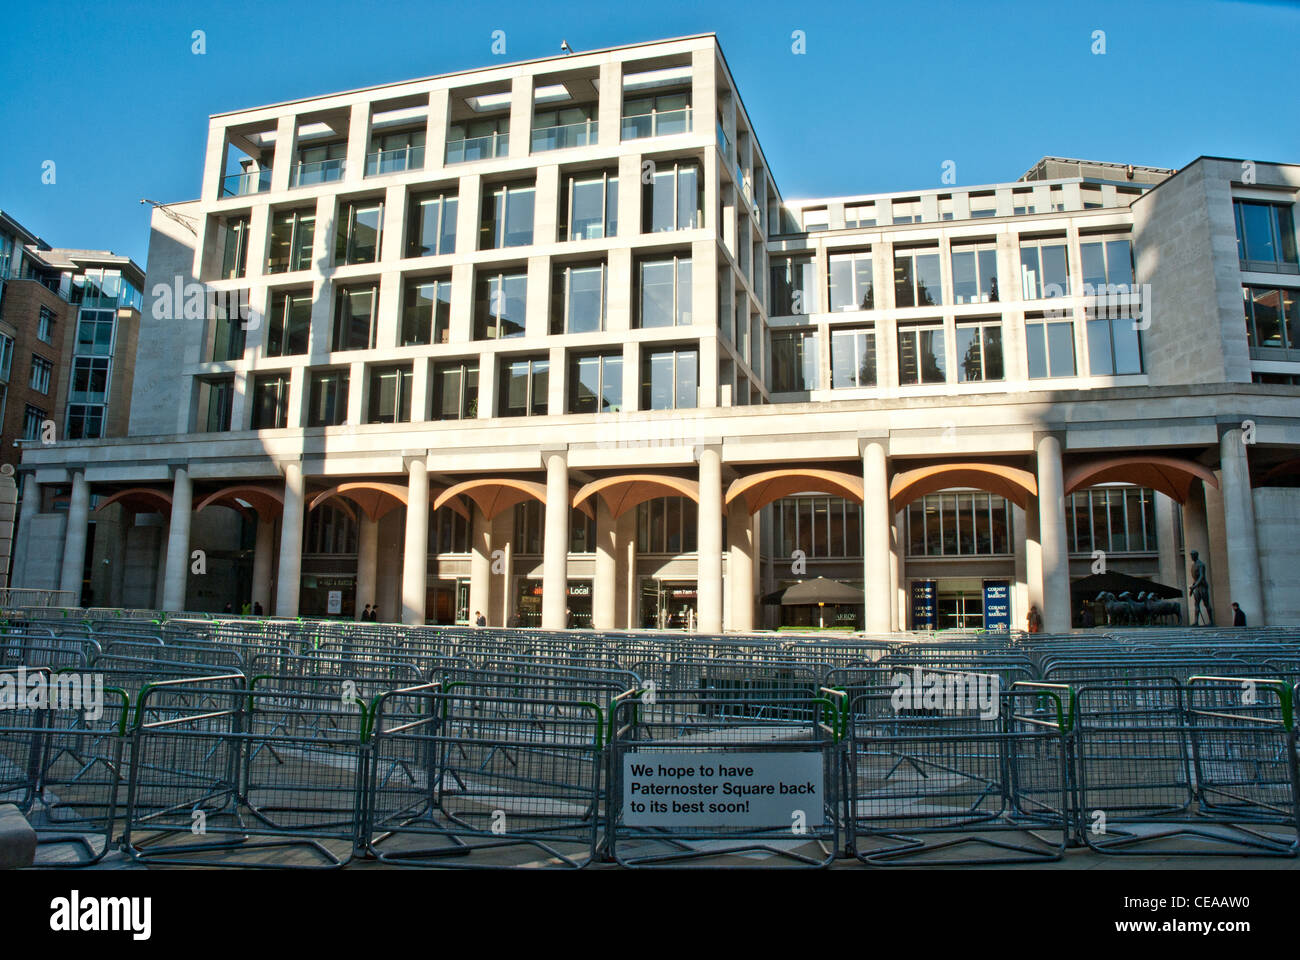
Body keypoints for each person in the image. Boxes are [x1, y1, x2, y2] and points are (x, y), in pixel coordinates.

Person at [1189, 550, 1213, 626]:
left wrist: (1195, 586)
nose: (1191, 557)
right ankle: (1196, 621)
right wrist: (1193, 587)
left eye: (1192, 555)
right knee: (1196, 604)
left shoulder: (1201, 564)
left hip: (1202, 586)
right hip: (1197, 587)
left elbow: (1201, 576)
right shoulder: (1193, 565)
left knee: (1206, 604)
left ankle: (1211, 621)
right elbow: (1195, 578)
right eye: (1191, 555)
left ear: (1196, 555)